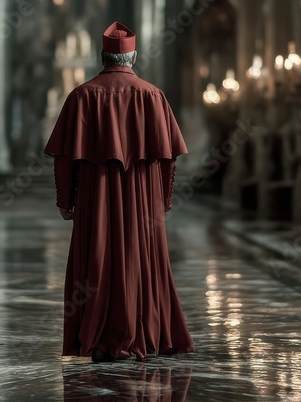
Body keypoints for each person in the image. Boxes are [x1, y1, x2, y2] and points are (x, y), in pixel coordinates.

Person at [45, 21, 195, 362]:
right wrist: (163, 199)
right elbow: (168, 157)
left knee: (98, 255)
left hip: (95, 196)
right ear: (134, 57)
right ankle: (147, 332)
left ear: (102, 56)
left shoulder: (81, 95)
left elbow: (64, 157)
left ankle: (98, 335)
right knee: (141, 258)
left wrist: (66, 201)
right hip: (144, 196)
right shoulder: (153, 95)